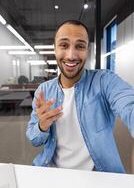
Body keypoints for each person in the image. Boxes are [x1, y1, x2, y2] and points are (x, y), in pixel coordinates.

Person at [26, 20, 134, 173]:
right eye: (64, 45)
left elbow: (129, 104)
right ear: (55, 49)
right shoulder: (43, 91)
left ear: (87, 50)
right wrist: (41, 127)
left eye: (80, 46)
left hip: (98, 176)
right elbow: (34, 139)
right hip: (53, 173)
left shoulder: (104, 81)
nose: (71, 55)